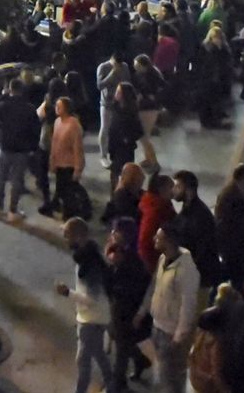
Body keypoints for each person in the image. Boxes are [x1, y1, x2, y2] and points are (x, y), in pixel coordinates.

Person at [55, 218, 117, 393]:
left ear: (79, 236)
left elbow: (92, 299)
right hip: (96, 316)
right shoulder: (89, 255)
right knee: (98, 352)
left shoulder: (90, 264)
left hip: (92, 318)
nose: (65, 239)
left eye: (67, 236)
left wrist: (68, 293)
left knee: (82, 360)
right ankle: (112, 384)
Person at [143, 221, 200, 393]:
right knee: (162, 374)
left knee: (171, 378)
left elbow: (188, 305)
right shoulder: (163, 259)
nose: (154, 239)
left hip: (171, 333)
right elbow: (155, 285)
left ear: (168, 242)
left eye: (158, 238)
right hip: (158, 326)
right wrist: (143, 310)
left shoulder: (186, 270)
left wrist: (179, 337)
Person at [104, 217, 151, 385]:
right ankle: (140, 361)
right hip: (118, 308)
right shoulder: (115, 252)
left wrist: (114, 267)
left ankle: (119, 384)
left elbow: (131, 288)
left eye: (116, 231)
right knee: (119, 338)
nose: (112, 234)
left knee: (122, 347)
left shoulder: (132, 261)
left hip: (128, 311)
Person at [0, 77, 40, 219]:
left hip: (5, 146)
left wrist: (4, 97)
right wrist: (33, 147)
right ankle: (13, 210)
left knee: (0, 177)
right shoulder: (29, 108)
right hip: (22, 148)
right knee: (17, 180)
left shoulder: (4, 105)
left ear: (10, 89)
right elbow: (35, 129)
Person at [41, 97, 85, 219]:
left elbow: (78, 148)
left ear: (66, 109)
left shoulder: (74, 125)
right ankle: (60, 209)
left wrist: (78, 169)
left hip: (69, 165)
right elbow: (54, 144)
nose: (56, 108)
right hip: (60, 163)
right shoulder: (57, 122)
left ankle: (69, 217)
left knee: (68, 194)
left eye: (59, 106)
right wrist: (52, 161)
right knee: (61, 190)